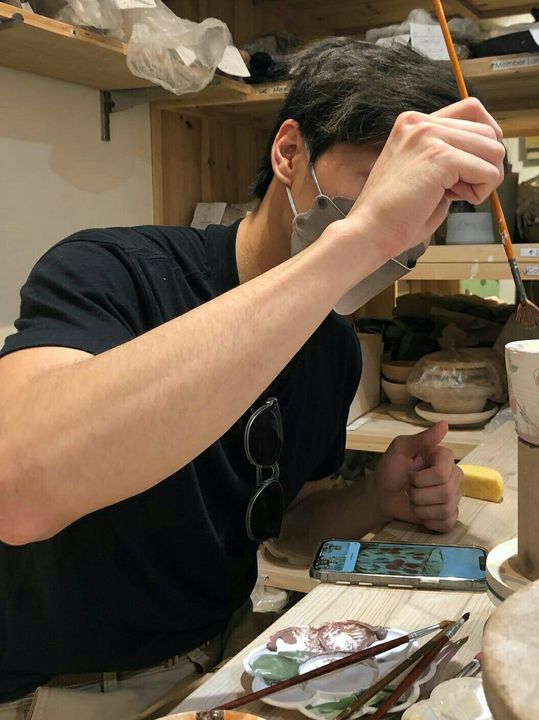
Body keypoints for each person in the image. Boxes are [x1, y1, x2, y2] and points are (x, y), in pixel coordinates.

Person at [0, 37, 505, 719]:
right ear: (289, 152)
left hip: (232, 654)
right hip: (70, 691)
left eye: (416, 224)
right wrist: (358, 240)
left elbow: (287, 526)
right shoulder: (112, 272)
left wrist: (380, 501)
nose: (398, 242)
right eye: (376, 199)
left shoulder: (331, 348)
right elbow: (20, 489)